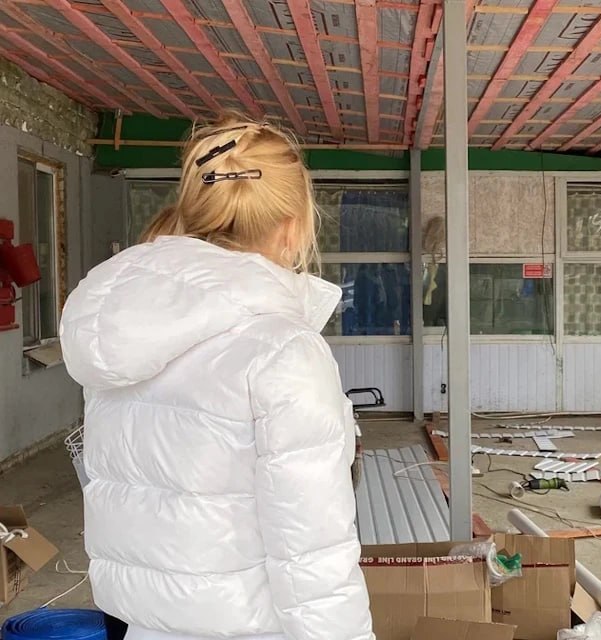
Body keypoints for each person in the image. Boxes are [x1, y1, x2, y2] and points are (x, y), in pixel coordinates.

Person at [59, 115, 374, 640]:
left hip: (146, 626)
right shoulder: (283, 350)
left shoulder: (124, 327)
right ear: (294, 226)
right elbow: (312, 554)